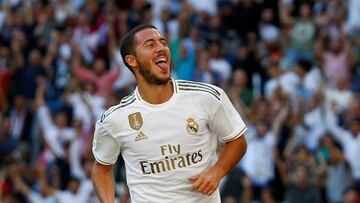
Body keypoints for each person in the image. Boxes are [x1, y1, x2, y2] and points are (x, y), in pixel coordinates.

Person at [91, 24, 248, 203]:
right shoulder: (115, 119)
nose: (161, 48)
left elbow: (237, 139)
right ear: (132, 60)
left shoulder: (206, 96)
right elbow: (101, 169)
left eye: (163, 42)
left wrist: (217, 172)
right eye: (150, 45)